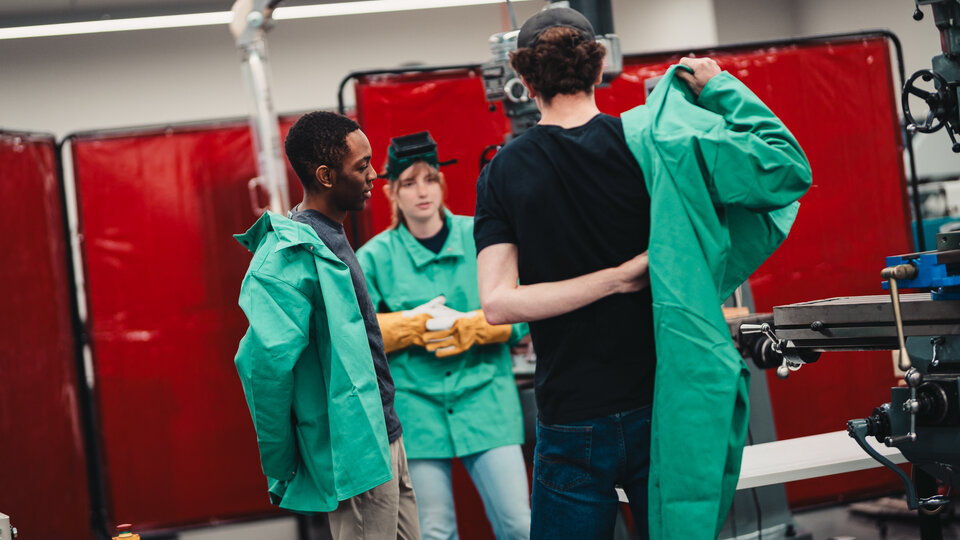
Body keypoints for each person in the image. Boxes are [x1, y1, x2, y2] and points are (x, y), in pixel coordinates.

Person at [475, 7, 811, 540]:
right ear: (600, 65)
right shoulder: (656, 144)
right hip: (662, 402)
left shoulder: (502, 171)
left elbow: (497, 304)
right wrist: (720, 87)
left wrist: (612, 279)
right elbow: (786, 168)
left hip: (570, 415)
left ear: (525, 79)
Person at [234, 111, 420, 540]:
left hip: (386, 434)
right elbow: (263, 370)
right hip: (353, 446)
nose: (374, 175)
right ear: (325, 175)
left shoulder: (330, 236)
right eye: (362, 166)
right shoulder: (287, 257)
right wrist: (282, 464)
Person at [355, 131, 531, 540]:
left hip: (487, 402)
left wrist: (476, 326)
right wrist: (410, 325)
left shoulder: (482, 237)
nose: (422, 192)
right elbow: (356, 335)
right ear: (392, 192)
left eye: (430, 179)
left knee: (520, 525)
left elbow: (525, 310)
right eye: (409, 183)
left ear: (442, 184)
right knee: (434, 532)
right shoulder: (374, 258)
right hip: (417, 411)